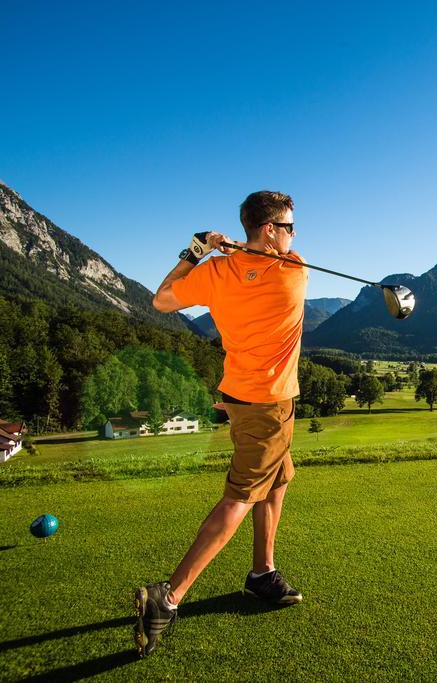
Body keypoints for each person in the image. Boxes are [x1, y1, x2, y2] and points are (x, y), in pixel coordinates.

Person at [134, 191, 308, 658]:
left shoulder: (213, 271)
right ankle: (167, 598)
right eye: (289, 226)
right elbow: (270, 260)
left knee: (278, 479)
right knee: (240, 495)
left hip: (239, 396)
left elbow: (162, 300)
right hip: (270, 405)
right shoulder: (293, 271)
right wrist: (241, 252)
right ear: (269, 230)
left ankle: (262, 574)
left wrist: (200, 250)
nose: (295, 235)